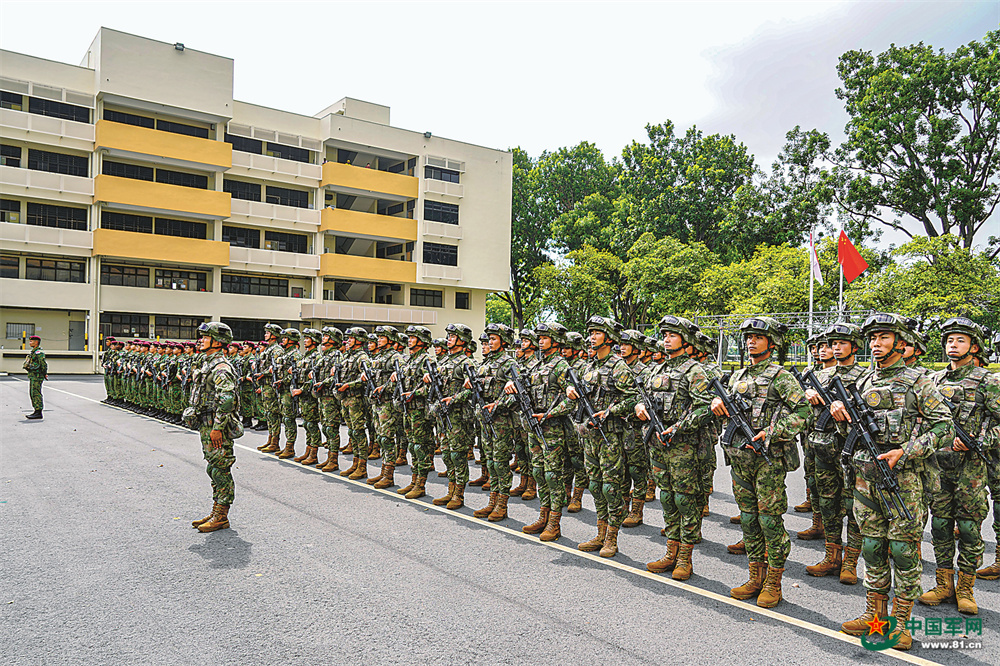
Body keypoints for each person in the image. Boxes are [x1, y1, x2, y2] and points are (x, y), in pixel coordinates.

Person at [832, 313, 953, 651]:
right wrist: (842, 413)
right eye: (872, 338)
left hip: (904, 481)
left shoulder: (919, 382)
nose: (875, 344)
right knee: (872, 548)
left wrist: (906, 450)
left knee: (902, 552)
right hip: (866, 479)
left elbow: (945, 427)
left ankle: (901, 624)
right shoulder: (864, 382)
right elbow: (852, 432)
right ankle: (875, 617)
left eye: (883, 337)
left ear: (901, 342)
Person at [710, 317, 811, 608]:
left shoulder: (781, 376)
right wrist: (717, 405)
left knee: (769, 521)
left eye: (758, 336)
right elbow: (725, 406)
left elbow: (803, 411)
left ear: (771, 342)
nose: (751, 341)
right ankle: (755, 575)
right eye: (749, 337)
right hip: (740, 457)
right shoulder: (738, 374)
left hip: (768, 459)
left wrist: (773, 431)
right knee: (749, 519)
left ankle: (774, 582)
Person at [920, 317, 999, 615]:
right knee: (940, 525)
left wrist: (977, 441)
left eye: (960, 340)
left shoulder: (987, 380)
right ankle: (943, 583)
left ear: (974, 346)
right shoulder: (934, 381)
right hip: (939, 467)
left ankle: (966, 588)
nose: (953, 345)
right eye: (950, 340)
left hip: (971, 470)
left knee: (968, 527)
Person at [639, 315, 713, 580]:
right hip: (658, 443)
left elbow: (705, 407)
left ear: (685, 340)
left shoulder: (695, 370)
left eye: (672, 335)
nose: (666, 339)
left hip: (683, 446)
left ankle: (685, 558)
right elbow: (642, 398)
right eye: (665, 335)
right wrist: (640, 408)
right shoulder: (656, 369)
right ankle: (671, 551)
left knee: (685, 500)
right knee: (667, 497)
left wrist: (679, 427)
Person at [568, 316, 637, 558]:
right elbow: (575, 391)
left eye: (597, 333)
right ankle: (600, 532)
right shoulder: (588, 366)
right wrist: (571, 391)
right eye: (590, 333)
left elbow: (634, 399)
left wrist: (610, 412)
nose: (591, 337)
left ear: (608, 337)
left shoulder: (619, 367)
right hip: (589, 437)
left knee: (610, 488)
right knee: (596, 486)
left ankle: (611, 538)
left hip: (610, 437)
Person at [803, 323, 867, 584]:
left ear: (854, 346)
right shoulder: (821, 376)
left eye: (841, 343)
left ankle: (850, 562)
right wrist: (806, 392)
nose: (835, 348)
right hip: (824, 449)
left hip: (852, 452)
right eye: (832, 343)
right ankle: (832, 556)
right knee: (828, 503)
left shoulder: (865, 377)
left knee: (853, 506)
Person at [185, 322, 243, 533]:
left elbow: (227, 399)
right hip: (207, 423)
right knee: (212, 466)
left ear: (217, 342)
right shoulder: (208, 363)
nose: (200, 340)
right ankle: (216, 509)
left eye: (205, 337)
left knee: (220, 467)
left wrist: (218, 427)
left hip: (216, 425)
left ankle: (222, 515)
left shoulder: (221, 367)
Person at [23, 334, 47, 419]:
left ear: (36, 342)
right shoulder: (34, 352)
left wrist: (44, 373)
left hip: (37, 376)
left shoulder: (39, 352)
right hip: (33, 375)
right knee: (33, 393)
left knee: (36, 393)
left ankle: (38, 412)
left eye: (31, 341)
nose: (30, 343)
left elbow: (43, 364)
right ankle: (36, 411)